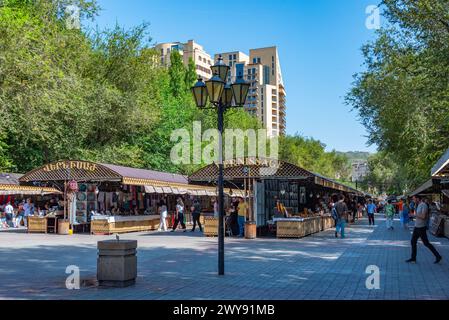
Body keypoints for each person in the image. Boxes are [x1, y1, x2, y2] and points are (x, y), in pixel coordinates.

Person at [406, 195, 442, 264]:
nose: (413, 200)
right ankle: (413, 258)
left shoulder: (424, 205)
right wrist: (413, 215)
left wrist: (414, 215)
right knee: (413, 242)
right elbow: (418, 215)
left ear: (418, 199)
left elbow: (423, 216)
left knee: (426, 243)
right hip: (417, 227)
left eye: (414, 199)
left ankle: (438, 256)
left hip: (421, 227)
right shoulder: (418, 205)